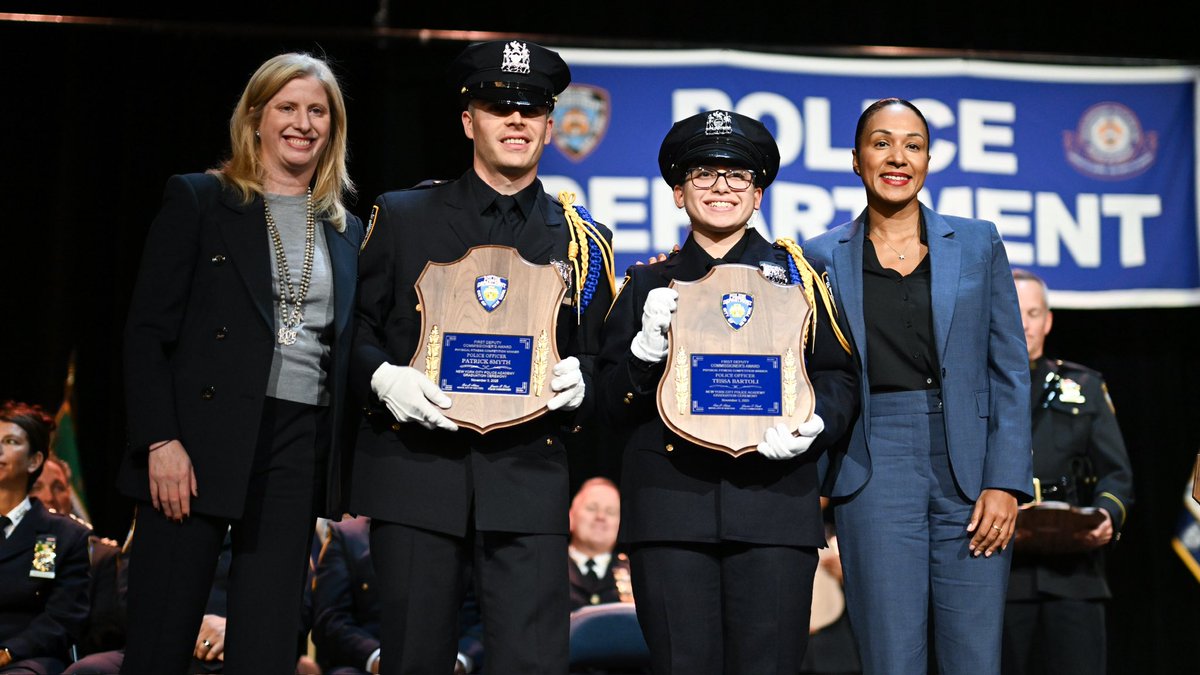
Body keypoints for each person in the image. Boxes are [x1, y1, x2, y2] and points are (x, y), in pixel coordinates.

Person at [350, 39, 614, 674]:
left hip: (526, 483)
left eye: (530, 109)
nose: (516, 120)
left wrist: (585, 384)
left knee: (532, 664)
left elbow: (603, 362)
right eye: (498, 107)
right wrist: (383, 378)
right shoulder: (403, 216)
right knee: (414, 660)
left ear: (550, 125)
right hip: (415, 475)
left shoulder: (582, 239)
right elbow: (352, 330)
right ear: (469, 120)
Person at [118, 52, 363, 675]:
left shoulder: (346, 230)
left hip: (296, 441)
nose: (303, 123)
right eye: (287, 107)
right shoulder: (201, 200)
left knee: (267, 644)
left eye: (318, 111)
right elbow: (147, 333)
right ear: (255, 118)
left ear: (332, 129)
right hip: (196, 443)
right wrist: (160, 439)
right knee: (160, 637)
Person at [596, 110, 859, 674]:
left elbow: (839, 377)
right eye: (704, 174)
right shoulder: (645, 283)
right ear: (676, 192)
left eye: (738, 175)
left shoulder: (801, 281)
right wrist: (643, 355)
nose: (722, 187)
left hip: (774, 509)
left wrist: (817, 425)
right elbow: (606, 403)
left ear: (758, 193)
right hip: (670, 512)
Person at [803, 97, 1032, 674]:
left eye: (912, 145)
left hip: (972, 471)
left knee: (974, 657)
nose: (897, 157)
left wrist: (1006, 481)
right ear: (857, 159)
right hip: (873, 465)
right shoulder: (819, 255)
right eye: (881, 143)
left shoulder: (979, 242)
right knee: (890, 658)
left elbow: (1009, 370)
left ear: (928, 158)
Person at [1001, 269, 1134, 675]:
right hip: (1002, 576)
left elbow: (1117, 474)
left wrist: (1109, 516)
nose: (1024, 322)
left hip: (1075, 576)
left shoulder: (1085, 386)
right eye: (1014, 310)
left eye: (1034, 312)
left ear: (1048, 320)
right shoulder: (977, 388)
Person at [311, 516, 484, 674]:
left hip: (458, 660)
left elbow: (490, 613)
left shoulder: (468, 534)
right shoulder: (348, 536)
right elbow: (330, 619)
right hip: (369, 662)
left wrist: (461, 659)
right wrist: (376, 658)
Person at [0, 401, 91, 674]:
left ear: (34, 461)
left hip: (25, 657)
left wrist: (8, 652)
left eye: (10, 441)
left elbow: (62, 619)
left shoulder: (62, 535)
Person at [567, 477, 631, 610]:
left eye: (611, 512)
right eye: (591, 508)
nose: (601, 517)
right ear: (570, 516)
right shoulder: (546, 568)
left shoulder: (636, 574)